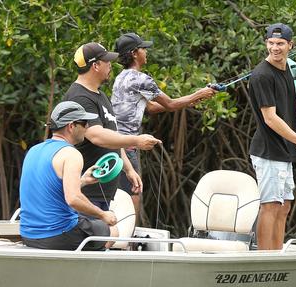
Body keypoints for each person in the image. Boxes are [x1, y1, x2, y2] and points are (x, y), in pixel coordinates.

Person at [111, 32, 217, 221]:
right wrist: (198, 94)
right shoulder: (141, 79)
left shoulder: (121, 77)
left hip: (115, 143)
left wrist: (187, 101)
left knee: (121, 195)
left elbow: (150, 107)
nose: (146, 52)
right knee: (133, 195)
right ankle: (128, 242)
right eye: (143, 49)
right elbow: (170, 104)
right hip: (128, 147)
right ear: (135, 53)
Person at [248, 23, 296, 250]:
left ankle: (277, 253)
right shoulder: (262, 75)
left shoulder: (291, 69)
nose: (275, 48)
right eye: (271, 43)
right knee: (270, 205)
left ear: (290, 45)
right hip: (268, 151)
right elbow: (270, 118)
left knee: (285, 206)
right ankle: (265, 259)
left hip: (285, 151)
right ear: (266, 44)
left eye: (280, 43)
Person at [64, 42, 161, 211]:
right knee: (105, 235)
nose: (111, 65)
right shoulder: (79, 97)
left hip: (102, 192)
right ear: (95, 65)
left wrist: (129, 170)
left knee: (108, 235)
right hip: (86, 192)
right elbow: (97, 135)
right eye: (106, 61)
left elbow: (112, 135)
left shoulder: (100, 95)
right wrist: (136, 140)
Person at [20, 101, 119, 251]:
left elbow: (49, 189)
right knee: (113, 231)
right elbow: (73, 199)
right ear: (71, 126)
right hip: (58, 235)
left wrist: (83, 181)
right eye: (84, 123)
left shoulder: (34, 150)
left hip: (28, 235)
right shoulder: (71, 154)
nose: (87, 127)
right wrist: (103, 214)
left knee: (87, 222)